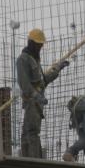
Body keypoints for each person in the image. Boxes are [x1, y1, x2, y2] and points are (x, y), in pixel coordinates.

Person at [16, 28, 68, 158]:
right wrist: (35, 96)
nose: (40, 47)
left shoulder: (34, 59)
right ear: (32, 43)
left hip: (37, 101)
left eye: (41, 44)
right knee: (31, 132)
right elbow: (24, 82)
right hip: (31, 101)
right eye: (38, 44)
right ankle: (32, 159)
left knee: (29, 132)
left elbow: (42, 80)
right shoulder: (23, 59)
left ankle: (30, 158)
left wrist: (57, 68)